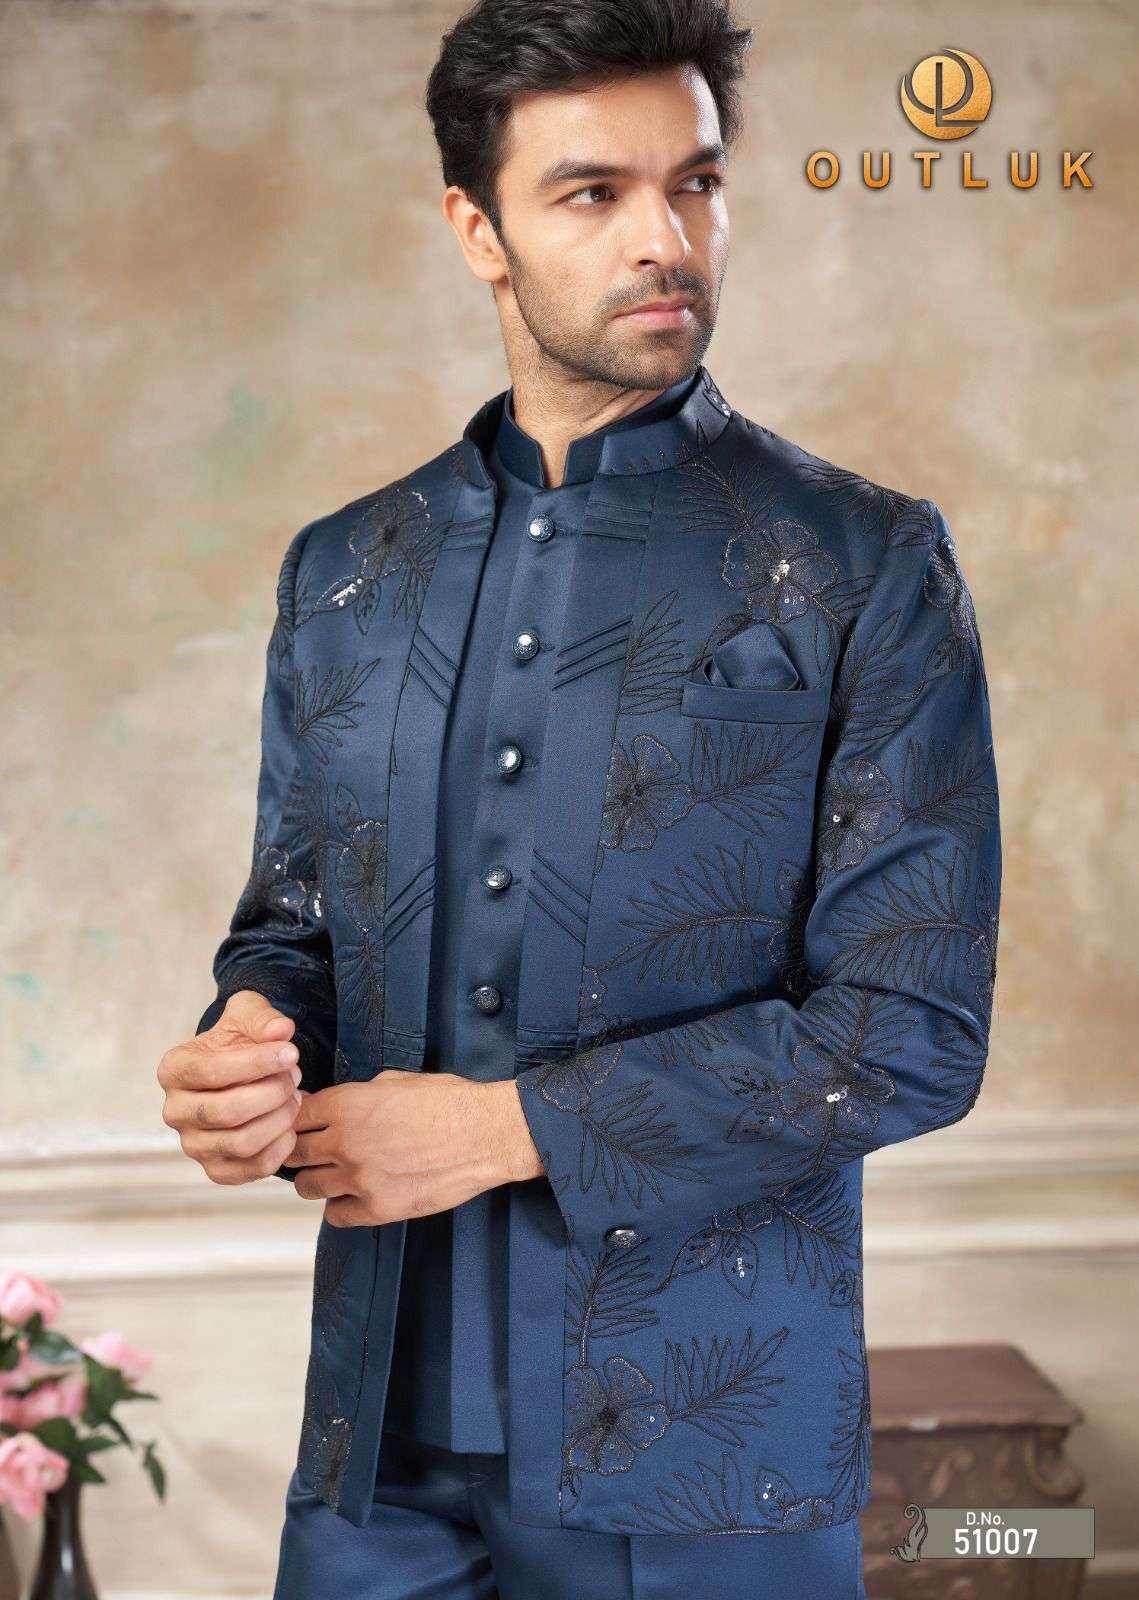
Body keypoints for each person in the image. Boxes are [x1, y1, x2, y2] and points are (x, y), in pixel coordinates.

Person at [156, 1, 1002, 1594]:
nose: (664, 238)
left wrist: (499, 1129)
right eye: (592, 193)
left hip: (709, 1462)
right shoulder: (347, 574)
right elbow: (294, 929)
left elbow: (906, 1032)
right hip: (373, 1458)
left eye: (696, 183)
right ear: (477, 229)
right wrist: (249, 1044)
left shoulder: (863, 562)